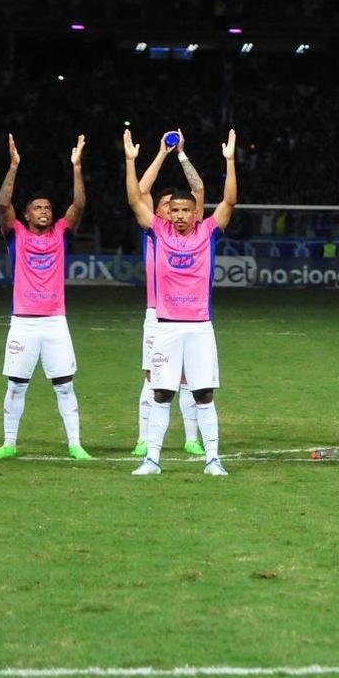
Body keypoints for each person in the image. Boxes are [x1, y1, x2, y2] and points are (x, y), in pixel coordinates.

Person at [125, 128, 238, 476]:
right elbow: (134, 199)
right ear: (167, 213)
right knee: (161, 393)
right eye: (173, 210)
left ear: (194, 213)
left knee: (203, 393)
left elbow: (229, 201)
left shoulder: (207, 232)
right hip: (166, 328)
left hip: (200, 327)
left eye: (185, 210)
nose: (179, 215)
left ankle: (213, 459)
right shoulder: (157, 232)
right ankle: (152, 460)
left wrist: (230, 161)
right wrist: (132, 161)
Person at [0, 133, 90, 461]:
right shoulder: (15, 233)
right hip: (23, 323)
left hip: (55, 322)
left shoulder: (61, 232)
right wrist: (14, 165)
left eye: (47, 207)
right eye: (37, 208)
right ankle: (9, 443)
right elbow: (3, 203)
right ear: (27, 215)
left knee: (64, 384)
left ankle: (75, 444)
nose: (44, 211)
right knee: (16, 384)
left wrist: (76, 167)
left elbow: (79, 205)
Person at [127, 129, 206, 458]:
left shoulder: (193, 228)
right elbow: (141, 191)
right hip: (156, 314)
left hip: (188, 315)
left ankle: (191, 437)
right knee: (152, 375)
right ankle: (143, 438)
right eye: (165, 206)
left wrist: (183, 154)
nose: (171, 211)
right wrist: (161, 153)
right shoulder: (154, 231)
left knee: (189, 376)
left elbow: (198, 189)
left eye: (176, 207)